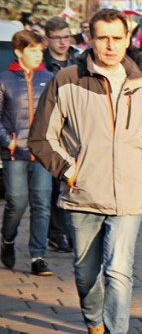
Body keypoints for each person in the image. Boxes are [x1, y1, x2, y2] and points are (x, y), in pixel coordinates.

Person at [28, 8, 142, 334]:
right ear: (89, 39)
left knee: (119, 270)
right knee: (86, 274)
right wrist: (72, 172)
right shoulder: (68, 81)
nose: (110, 45)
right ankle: (94, 324)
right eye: (102, 37)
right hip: (84, 194)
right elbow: (41, 139)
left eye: (117, 38)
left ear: (127, 40)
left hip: (131, 195)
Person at [0, 31, 55, 276]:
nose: (38, 54)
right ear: (19, 52)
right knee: (17, 201)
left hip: (42, 153)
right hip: (14, 152)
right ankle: (8, 240)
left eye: (40, 50)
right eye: (32, 50)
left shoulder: (50, 78)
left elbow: (58, 114)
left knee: (42, 204)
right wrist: (8, 141)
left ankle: (38, 256)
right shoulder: (4, 80)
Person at [41, 17, 79, 253]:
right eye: (57, 38)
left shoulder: (79, 59)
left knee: (75, 181)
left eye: (66, 37)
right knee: (56, 183)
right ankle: (57, 233)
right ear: (47, 40)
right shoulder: (42, 64)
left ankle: (73, 231)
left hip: (76, 127)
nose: (63, 42)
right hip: (51, 128)